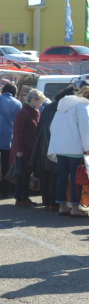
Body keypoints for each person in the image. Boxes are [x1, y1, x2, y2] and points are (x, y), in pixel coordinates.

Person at [48, 85, 89, 217]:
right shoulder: (82, 106)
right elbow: (85, 128)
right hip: (75, 148)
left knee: (62, 177)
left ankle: (62, 206)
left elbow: (52, 127)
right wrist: (88, 148)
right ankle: (75, 208)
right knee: (77, 178)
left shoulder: (61, 107)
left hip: (60, 148)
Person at [31, 87, 72, 210]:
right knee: (55, 174)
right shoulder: (63, 108)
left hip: (42, 144)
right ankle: (54, 203)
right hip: (54, 144)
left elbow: (40, 126)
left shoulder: (49, 106)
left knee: (45, 174)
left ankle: (47, 202)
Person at [10, 88, 46, 207]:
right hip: (24, 149)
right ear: (33, 100)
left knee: (27, 175)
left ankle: (25, 197)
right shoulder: (23, 112)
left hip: (31, 148)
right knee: (22, 175)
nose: (41, 105)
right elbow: (18, 132)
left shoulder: (34, 112)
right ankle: (20, 198)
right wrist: (19, 149)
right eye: (40, 102)